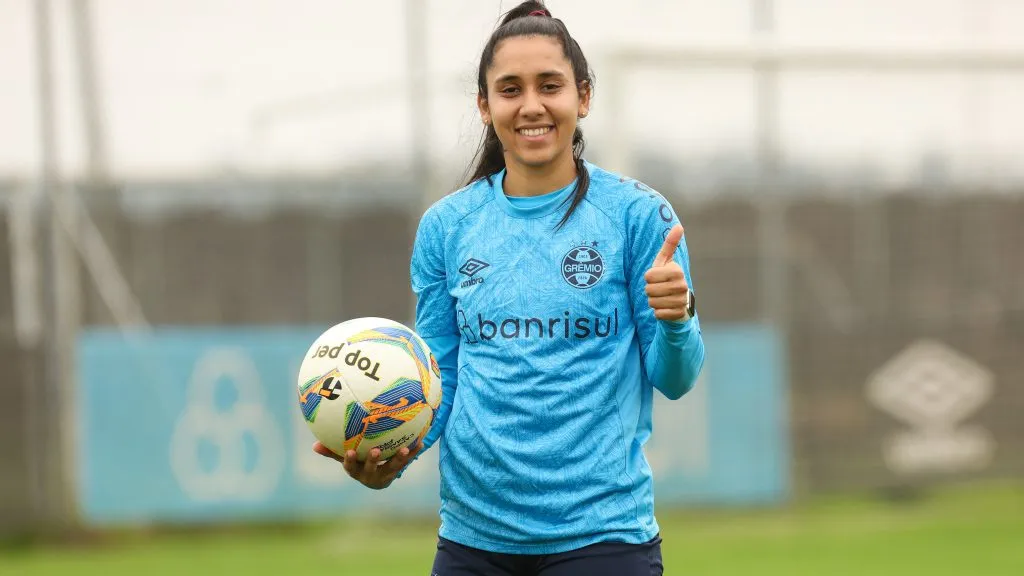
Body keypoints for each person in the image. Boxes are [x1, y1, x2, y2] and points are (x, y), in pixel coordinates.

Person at [314, 2, 704, 574]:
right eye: (510, 89)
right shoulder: (447, 227)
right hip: (473, 543)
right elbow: (437, 383)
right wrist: (392, 456)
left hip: (602, 538)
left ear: (584, 97)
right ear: (484, 105)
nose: (531, 106)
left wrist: (677, 318)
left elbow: (677, 379)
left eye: (551, 85)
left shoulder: (638, 216)